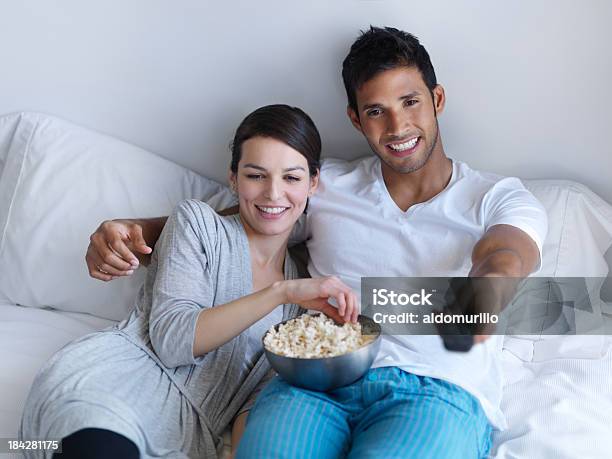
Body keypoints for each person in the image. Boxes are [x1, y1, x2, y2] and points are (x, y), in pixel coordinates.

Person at [84, 27, 547, 458]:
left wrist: (487, 289)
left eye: (410, 102)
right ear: (355, 119)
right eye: (375, 111)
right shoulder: (329, 188)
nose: (398, 126)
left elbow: (506, 253)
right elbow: (240, 220)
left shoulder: (495, 196)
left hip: (436, 388)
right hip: (315, 380)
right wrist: (134, 232)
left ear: (437, 99)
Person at [19, 104, 359, 459]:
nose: (273, 194)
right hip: (112, 390)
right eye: (256, 175)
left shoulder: (303, 297)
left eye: (291, 178)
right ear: (233, 177)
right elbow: (173, 340)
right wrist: (279, 293)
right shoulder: (197, 223)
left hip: (190, 435)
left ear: (313, 183)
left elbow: (255, 400)